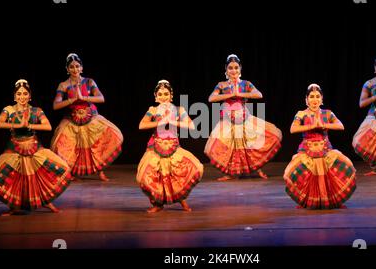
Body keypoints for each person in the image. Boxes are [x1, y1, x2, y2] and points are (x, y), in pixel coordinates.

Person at [0, 79, 72, 216]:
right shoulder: (8, 110)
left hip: (33, 146)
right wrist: (18, 125)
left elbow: (48, 126)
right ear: (15, 96)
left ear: (30, 96)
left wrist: (29, 126)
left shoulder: (36, 110)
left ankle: (47, 201)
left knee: (49, 172)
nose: (22, 97)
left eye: (25, 94)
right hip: (15, 147)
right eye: (19, 94)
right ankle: (14, 206)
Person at [204, 54, 282, 181]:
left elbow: (258, 94)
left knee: (249, 145)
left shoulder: (246, 84)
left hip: (244, 118)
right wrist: (230, 95)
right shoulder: (222, 85)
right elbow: (211, 98)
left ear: (240, 69)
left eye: (236, 67)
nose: (233, 71)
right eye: (230, 68)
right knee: (224, 148)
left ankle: (256, 169)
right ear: (226, 70)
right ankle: (230, 173)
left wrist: (239, 93)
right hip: (228, 120)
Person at [51, 53, 123, 181]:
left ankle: (100, 171)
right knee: (62, 143)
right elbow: (56, 105)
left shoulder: (89, 82)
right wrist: (72, 100)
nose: (75, 69)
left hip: (91, 117)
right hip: (72, 119)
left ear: (82, 68)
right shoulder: (64, 85)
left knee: (101, 141)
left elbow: (101, 98)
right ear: (67, 69)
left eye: (77, 66)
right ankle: (71, 172)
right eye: (71, 67)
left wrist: (84, 98)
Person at [284, 84, 356, 209]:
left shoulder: (327, 113)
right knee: (295, 172)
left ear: (322, 99)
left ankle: (330, 200)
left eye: (318, 96)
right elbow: (293, 129)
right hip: (307, 149)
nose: (315, 99)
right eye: (311, 96)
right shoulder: (301, 114)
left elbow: (340, 126)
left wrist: (324, 124)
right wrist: (311, 126)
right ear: (306, 100)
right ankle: (307, 200)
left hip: (325, 149)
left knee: (343, 166)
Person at [136, 80, 203, 213]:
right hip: (156, 147)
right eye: (160, 94)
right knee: (146, 176)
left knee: (181, 173)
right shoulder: (153, 110)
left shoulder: (179, 110)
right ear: (155, 97)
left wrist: (172, 121)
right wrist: (160, 122)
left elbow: (191, 125)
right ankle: (157, 203)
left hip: (173, 147)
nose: (163, 97)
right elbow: (142, 125)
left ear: (171, 95)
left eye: (166, 94)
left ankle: (182, 199)